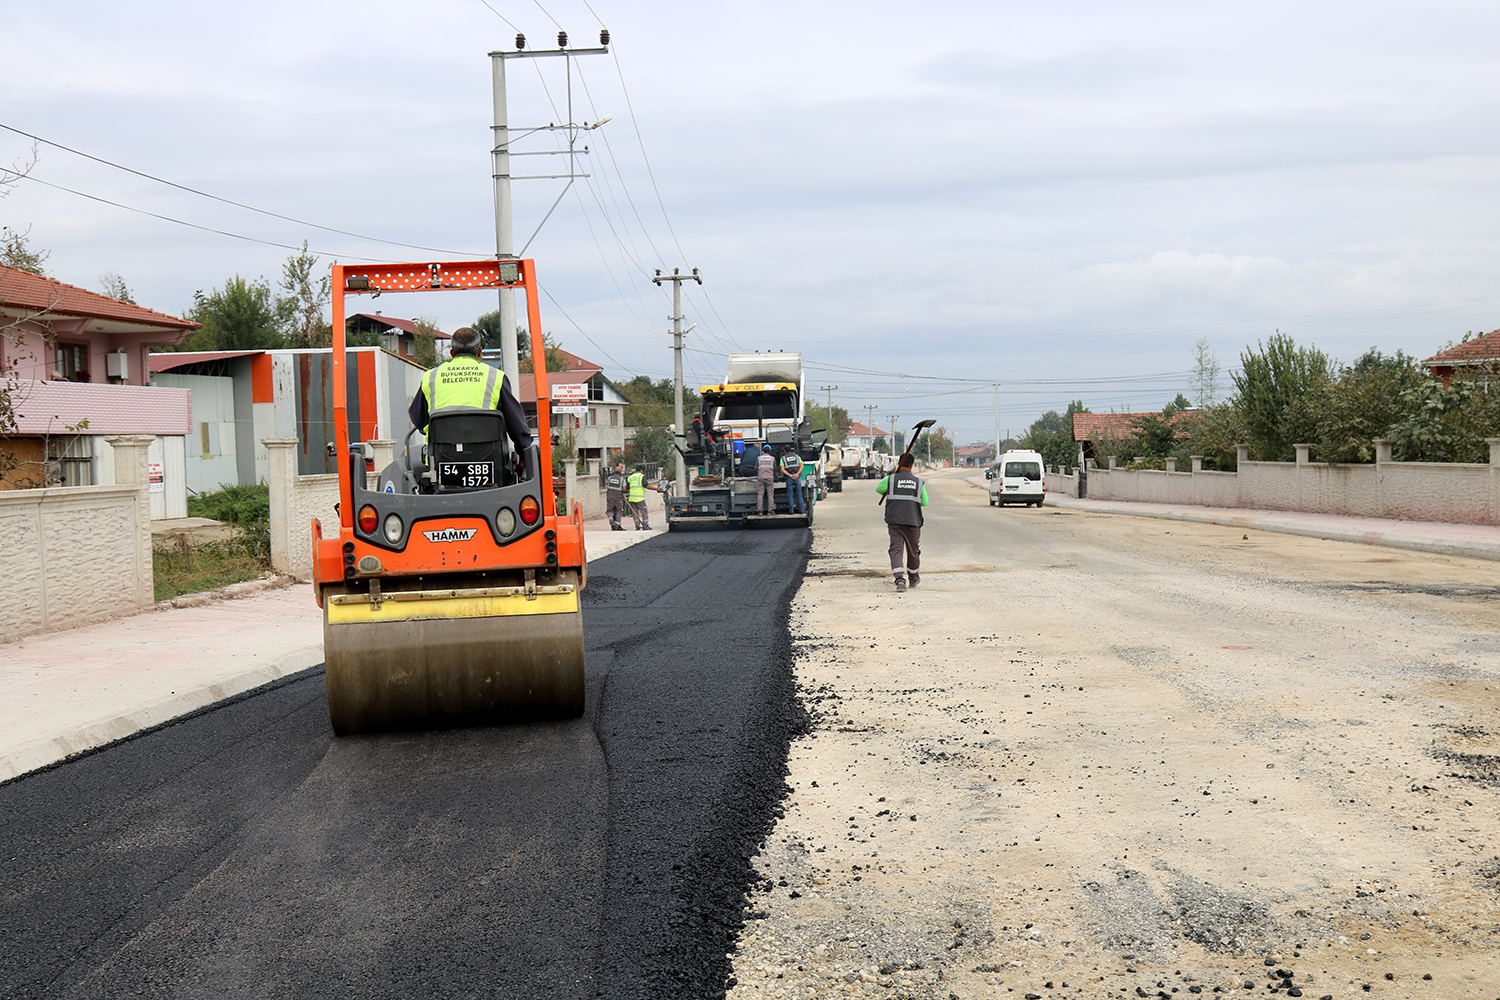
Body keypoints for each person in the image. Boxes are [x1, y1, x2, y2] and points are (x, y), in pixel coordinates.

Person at [407, 326, 532, 474]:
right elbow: (516, 426)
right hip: (490, 468)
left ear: (452, 353)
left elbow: (419, 419)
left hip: (440, 468)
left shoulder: (431, 377)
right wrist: (526, 457)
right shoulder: (495, 377)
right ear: (479, 352)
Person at [875, 453, 928, 592]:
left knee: (896, 550)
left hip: (895, 521)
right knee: (913, 551)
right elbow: (925, 501)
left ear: (899, 464)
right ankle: (914, 577)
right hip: (913, 522)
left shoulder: (890, 479)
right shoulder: (918, 482)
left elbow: (879, 489)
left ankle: (899, 580)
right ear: (912, 465)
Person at [627, 463, 662, 530]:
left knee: (635, 513)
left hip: (631, 498)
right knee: (644, 512)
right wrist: (656, 489)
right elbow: (646, 485)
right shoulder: (641, 476)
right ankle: (645, 525)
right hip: (639, 498)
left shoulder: (630, 477)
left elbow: (627, 488)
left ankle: (637, 526)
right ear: (641, 470)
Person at [780, 444, 805, 513]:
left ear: (784, 451)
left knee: (790, 495)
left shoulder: (783, 458)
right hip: (797, 478)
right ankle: (802, 510)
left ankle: (791, 511)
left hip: (789, 478)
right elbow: (802, 466)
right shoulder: (797, 457)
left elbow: (782, 469)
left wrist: (791, 475)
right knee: (799, 494)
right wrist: (797, 474)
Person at [604, 461, 628, 531]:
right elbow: (624, 489)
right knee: (619, 511)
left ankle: (611, 520)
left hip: (610, 496)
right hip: (618, 497)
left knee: (610, 510)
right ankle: (617, 525)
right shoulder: (621, 479)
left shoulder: (609, 478)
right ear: (620, 472)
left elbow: (607, 485)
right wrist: (624, 491)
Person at [755, 443, 778, 514]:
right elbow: (775, 468)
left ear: (763, 450)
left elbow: (756, 468)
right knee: (770, 494)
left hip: (761, 478)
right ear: (770, 451)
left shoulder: (759, 458)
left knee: (760, 494)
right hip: (770, 478)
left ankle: (760, 510)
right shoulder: (772, 458)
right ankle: (770, 510)